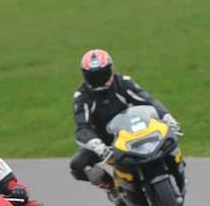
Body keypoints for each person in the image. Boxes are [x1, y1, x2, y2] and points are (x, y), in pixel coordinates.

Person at [70, 49, 181, 185]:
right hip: (105, 141)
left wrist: (167, 117)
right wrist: (97, 145)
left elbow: (148, 101)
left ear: (110, 70)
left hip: (132, 129)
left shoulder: (123, 82)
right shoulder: (82, 96)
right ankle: (111, 187)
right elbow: (82, 128)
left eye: (102, 74)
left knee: (168, 139)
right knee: (77, 165)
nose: (98, 80)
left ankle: (178, 170)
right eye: (93, 76)